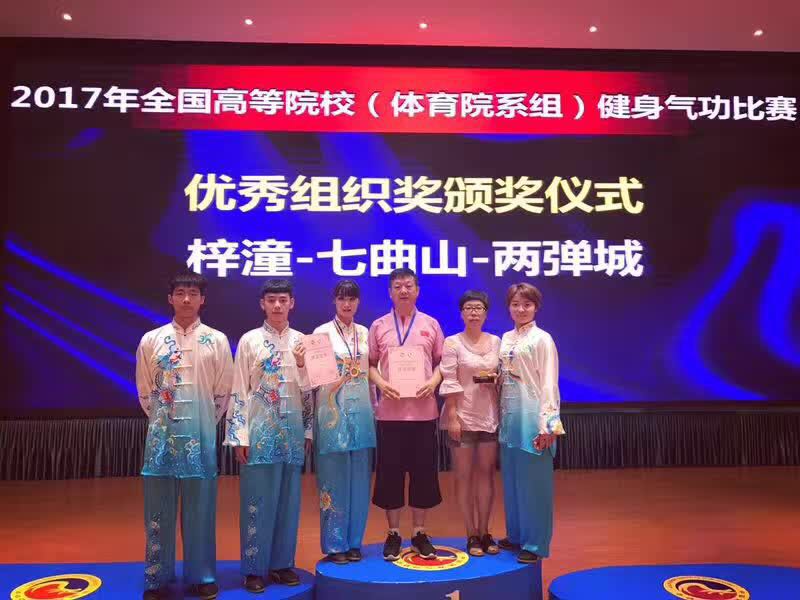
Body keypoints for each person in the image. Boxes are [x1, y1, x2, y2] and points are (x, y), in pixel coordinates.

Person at [136, 271, 233, 600]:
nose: (187, 299)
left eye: (193, 293)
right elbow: (145, 392)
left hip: (201, 437)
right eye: (180, 293)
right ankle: (156, 577)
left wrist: (203, 423)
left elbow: (222, 393)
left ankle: (202, 575)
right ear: (170, 298)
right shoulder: (151, 340)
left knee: (201, 508)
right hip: (161, 437)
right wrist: (164, 422)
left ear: (203, 299)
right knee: (158, 509)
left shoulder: (217, 340)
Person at [224, 279, 312, 592]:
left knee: (289, 501)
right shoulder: (250, 341)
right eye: (271, 300)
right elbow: (239, 388)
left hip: (293, 432)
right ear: (262, 304)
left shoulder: (304, 341)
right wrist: (239, 436)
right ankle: (253, 568)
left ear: (292, 303)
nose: (277, 305)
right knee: (257, 501)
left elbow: (310, 390)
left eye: (283, 300)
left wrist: (309, 429)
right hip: (260, 432)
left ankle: (282, 564)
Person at [368, 267, 445, 561]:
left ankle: (420, 532)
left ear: (417, 290)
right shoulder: (379, 326)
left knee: (423, 473)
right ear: (390, 292)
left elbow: (442, 362)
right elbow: (370, 364)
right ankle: (393, 533)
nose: (403, 290)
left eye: (408, 285)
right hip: (389, 414)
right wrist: (381, 383)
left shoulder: (431, 324)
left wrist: (433, 382)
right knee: (390, 474)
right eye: (397, 286)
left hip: (424, 414)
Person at [309, 279, 376, 564]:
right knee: (333, 479)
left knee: (360, 480)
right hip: (331, 414)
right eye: (341, 298)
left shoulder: (365, 333)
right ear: (334, 301)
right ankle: (335, 544)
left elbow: (371, 374)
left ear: (358, 302)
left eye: (352, 299)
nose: (347, 304)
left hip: (362, 413)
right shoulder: (321, 334)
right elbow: (314, 378)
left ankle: (354, 542)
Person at [497, 283, 565, 563]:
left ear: (536, 307)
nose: (521, 309)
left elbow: (549, 382)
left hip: (533, 417)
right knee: (513, 481)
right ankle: (516, 535)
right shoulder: (506, 338)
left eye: (527, 304)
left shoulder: (542, 339)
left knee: (535, 485)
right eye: (515, 304)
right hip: (509, 418)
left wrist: (547, 425)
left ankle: (534, 544)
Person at [439, 291, 501, 557]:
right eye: (468, 308)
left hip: (488, 416)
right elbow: (449, 379)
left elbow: (503, 374)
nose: (474, 312)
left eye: (478, 308)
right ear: (461, 313)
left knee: (486, 474)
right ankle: (471, 534)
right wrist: (453, 416)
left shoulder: (496, 342)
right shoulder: (452, 342)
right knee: (463, 477)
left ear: (486, 313)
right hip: (461, 418)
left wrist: (496, 378)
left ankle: (485, 531)